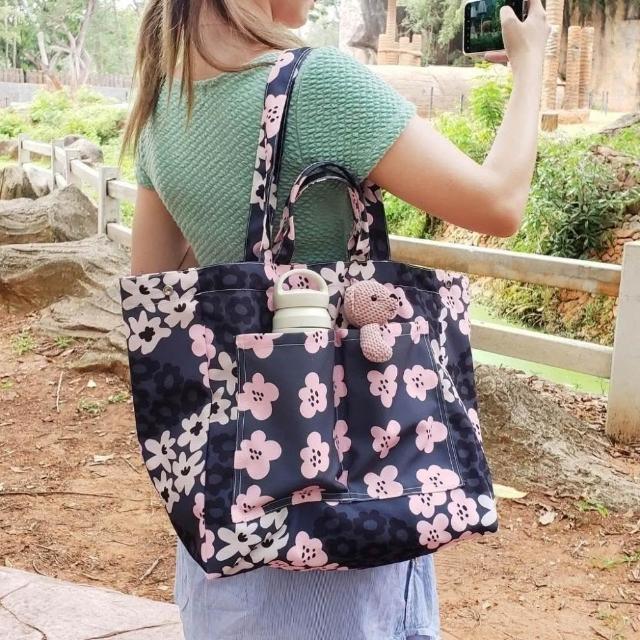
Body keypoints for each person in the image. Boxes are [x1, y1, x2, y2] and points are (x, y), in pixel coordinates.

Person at [121, 1, 549, 639]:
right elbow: (499, 203)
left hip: (228, 511)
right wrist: (530, 63)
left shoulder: (163, 103)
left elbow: (158, 283)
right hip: (349, 510)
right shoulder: (319, 84)